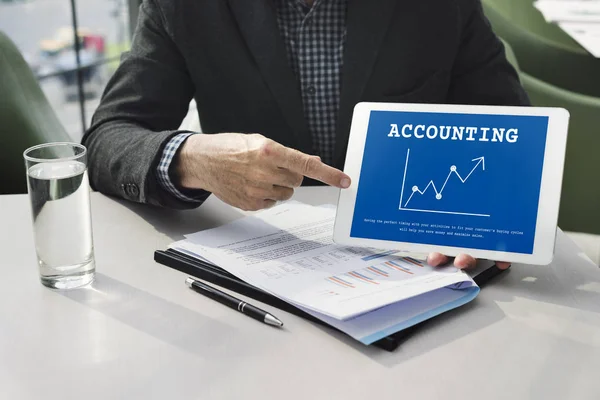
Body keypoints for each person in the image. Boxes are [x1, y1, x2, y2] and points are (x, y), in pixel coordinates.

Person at [83, 0, 526, 270]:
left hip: (416, 260)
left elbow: (512, 126)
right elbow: (107, 137)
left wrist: (483, 215)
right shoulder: (181, 6)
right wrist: (190, 157)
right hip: (259, 267)